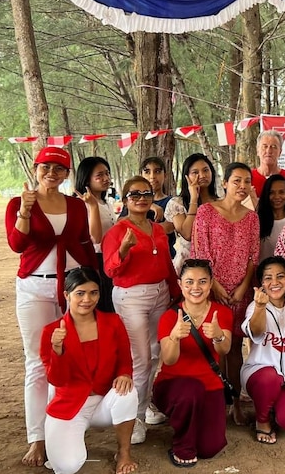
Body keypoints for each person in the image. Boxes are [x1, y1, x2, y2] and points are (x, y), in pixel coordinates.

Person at [6, 146, 97, 467]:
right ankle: (37, 438)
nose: (52, 174)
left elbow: (83, 242)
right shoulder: (20, 203)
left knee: (71, 355)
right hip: (35, 286)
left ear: (66, 173)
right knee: (37, 362)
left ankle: (64, 425)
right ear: (36, 167)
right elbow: (17, 244)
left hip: (73, 289)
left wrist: (96, 284)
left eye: (59, 169)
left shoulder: (74, 204)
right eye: (46, 167)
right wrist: (25, 213)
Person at [40, 267, 137, 474]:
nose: (87, 299)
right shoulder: (51, 331)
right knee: (67, 466)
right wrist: (57, 350)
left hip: (103, 401)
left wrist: (124, 373)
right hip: (70, 405)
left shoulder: (113, 322)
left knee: (128, 392)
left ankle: (124, 453)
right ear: (67, 295)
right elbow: (56, 379)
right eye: (80, 293)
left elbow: (125, 359)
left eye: (94, 292)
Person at [103, 176, 178, 445]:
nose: (141, 198)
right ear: (125, 200)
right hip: (131, 296)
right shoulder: (116, 231)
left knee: (157, 352)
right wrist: (123, 249)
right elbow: (110, 270)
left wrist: (175, 291)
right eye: (134, 195)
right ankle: (131, 417)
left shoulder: (157, 229)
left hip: (160, 293)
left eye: (146, 194)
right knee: (139, 359)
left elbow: (167, 263)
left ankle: (145, 407)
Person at [191, 162, 260, 425]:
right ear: (224, 183)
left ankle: (235, 403)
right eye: (236, 181)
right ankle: (215, 402)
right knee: (215, 347)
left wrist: (243, 287)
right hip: (212, 290)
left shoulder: (252, 217)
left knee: (235, 350)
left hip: (240, 291)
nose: (242, 187)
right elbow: (201, 253)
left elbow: (253, 256)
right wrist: (215, 287)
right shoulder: (207, 212)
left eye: (246, 182)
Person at [153, 259, 233, 467]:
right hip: (173, 385)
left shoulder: (221, 313)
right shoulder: (169, 317)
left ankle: (191, 424)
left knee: (210, 448)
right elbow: (169, 360)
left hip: (210, 384)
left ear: (211, 283)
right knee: (191, 390)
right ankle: (182, 445)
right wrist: (174, 337)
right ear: (180, 284)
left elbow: (224, 350)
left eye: (202, 281)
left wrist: (217, 336)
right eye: (189, 282)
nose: (195, 288)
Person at [241, 257, 285, 445]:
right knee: (270, 378)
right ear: (261, 283)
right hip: (260, 374)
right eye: (268, 278)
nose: (274, 282)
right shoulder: (256, 306)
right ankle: (262, 420)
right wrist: (260, 307)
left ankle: (274, 406)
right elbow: (256, 331)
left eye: (280, 276)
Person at [74, 156, 116, 313]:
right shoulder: (82, 205)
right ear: (86, 180)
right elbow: (95, 238)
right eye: (99, 175)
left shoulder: (106, 203)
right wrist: (92, 206)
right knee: (102, 307)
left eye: (107, 173)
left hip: (111, 259)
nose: (106, 179)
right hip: (95, 262)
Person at [165, 153, 220, 273]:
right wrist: (194, 198)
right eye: (195, 172)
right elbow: (187, 234)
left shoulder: (221, 202)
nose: (202, 175)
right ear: (186, 177)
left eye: (206, 170)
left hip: (218, 263)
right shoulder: (177, 203)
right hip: (188, 266)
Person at [252, 130, 285, 205]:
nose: (269, 151)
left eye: (274, 147)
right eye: (265, 146)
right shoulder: (247, 180)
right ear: (257, 150)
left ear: (280, 152)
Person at [257, 174, 285, 260]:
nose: (277, 197)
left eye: (281, 192)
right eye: (271, 193)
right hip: (261, 272)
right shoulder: (256, 221)